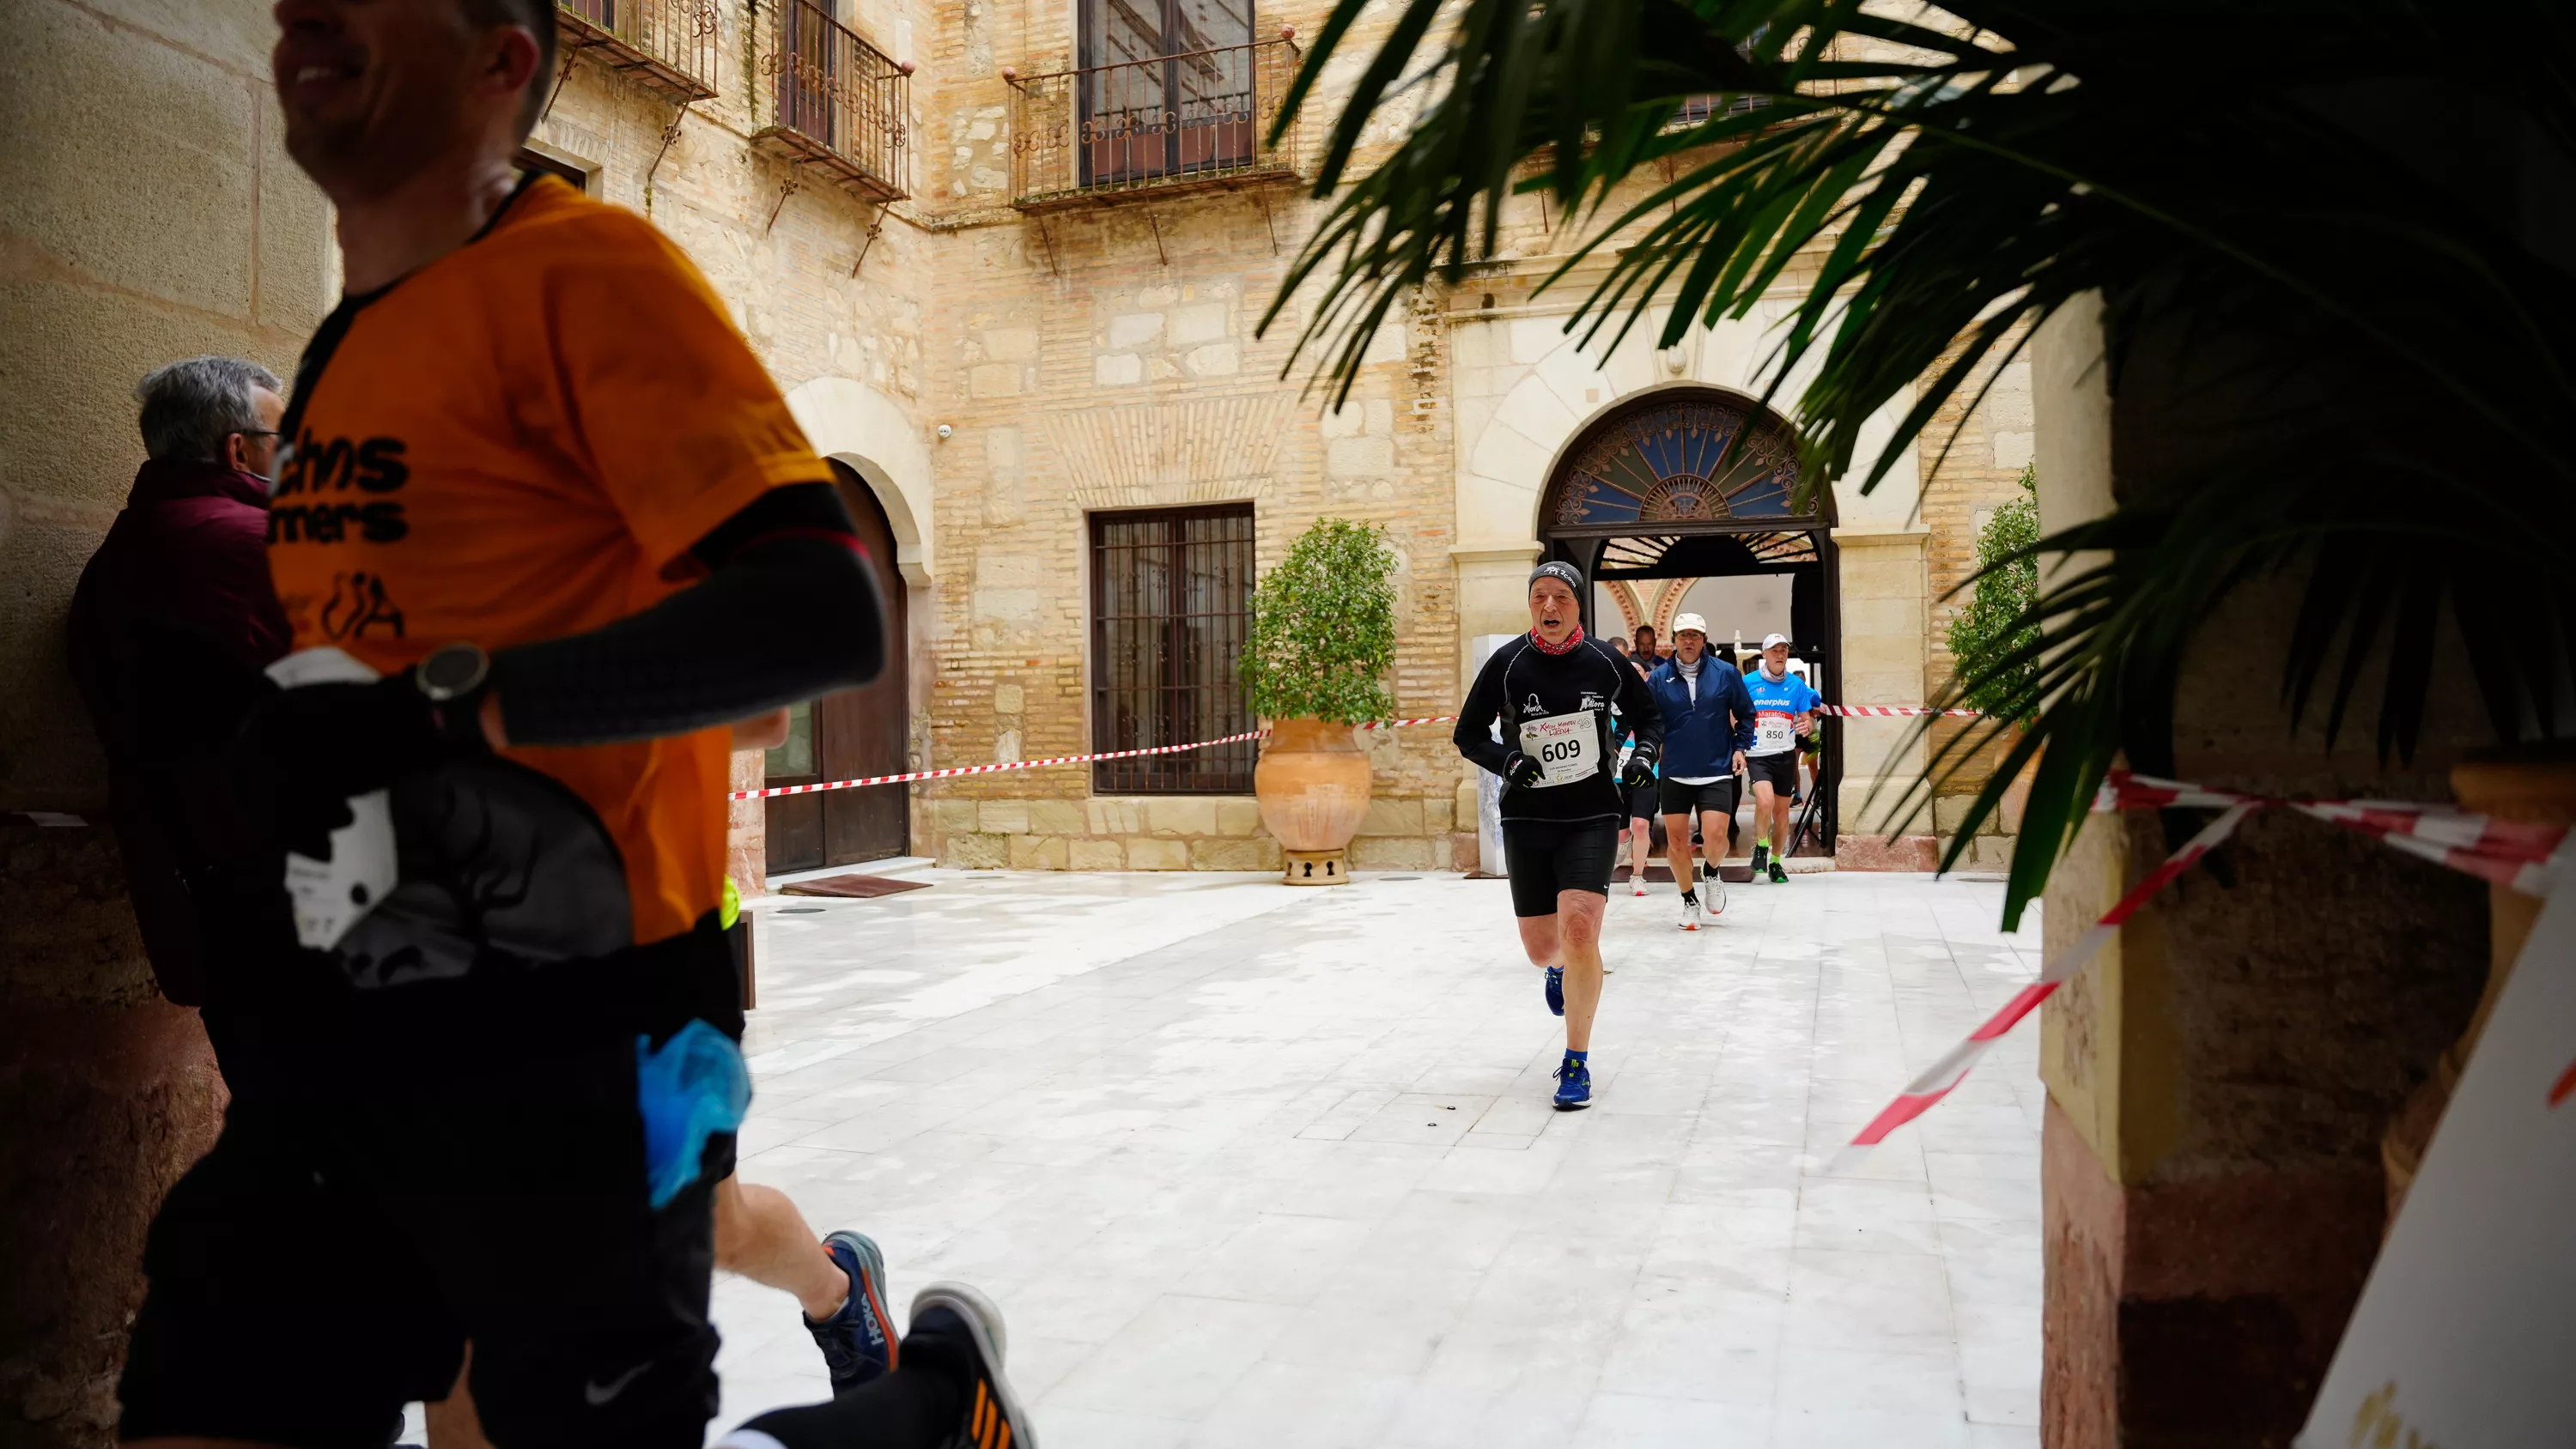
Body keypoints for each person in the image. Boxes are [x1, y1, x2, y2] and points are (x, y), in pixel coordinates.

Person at [118, 5, 1035, 1449]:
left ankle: (928, 1410)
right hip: (353, 1009)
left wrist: (453, 707)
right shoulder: (354, 341)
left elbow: (821, 610)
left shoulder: (588, 271)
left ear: (499, 66)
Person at [1455, 562, 1661, 1110]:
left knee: (1580, 932)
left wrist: (1643, 754)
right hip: (1527, 819)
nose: (1550, 607)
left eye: (1562, 598)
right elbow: (1467, 734)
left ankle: (1576, 1062)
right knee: (1543, 947)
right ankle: (1555, 969)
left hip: (1592, 815)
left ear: (1577, 606)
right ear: (1530, 605)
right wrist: (1506, 760)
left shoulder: (1605, 661)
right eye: (1540, 597)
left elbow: (1652, 719)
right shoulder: (1507, 665)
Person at [1645, 614, 1755, 930]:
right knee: (1676, 843)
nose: (1689, 641)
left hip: (1716, 767)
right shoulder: (1658, 678)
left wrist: (1739, 748)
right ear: (1674, 641)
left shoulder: (1726, 673)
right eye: (1683, 635)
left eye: (1695, 635)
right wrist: (1648, 750)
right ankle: (1689, 900)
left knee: (1716, 838)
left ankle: (1711, 870)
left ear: (1704, 640)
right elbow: (1649, 720)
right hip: (1675, 770)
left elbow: (1747, 714)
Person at [1743, 632, 1823, 883]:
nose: (1780, 655)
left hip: (1784, 755)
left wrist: (1807, 726)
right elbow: (1736, 714)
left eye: (1784, 651)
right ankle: (1762, 846)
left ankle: (1776, 862)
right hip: (1758, 755)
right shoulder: (1748, 682)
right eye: (1774, 651)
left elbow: (1806, 718)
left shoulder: (1797, 685)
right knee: (1764, 802)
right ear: (1764, 655)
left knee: (1782, 814)